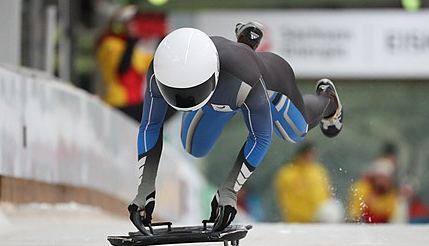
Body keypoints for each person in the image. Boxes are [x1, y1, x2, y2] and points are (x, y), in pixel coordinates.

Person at [127, 23, 344, 233]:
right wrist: (145, 186)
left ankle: (328, 100)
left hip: (262, 86)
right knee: (194, 146)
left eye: (190, 92)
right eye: (176, 92)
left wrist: (230, 189)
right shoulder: (160, 71)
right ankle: (245, 44)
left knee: (296, 131)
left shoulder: (245, 78)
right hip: (217, 96)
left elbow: (260, 137)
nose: (183, 99)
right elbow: (150, 125)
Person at [96, 5, 167, 122]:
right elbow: (123, 71)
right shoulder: (110, 43)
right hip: (118, 103)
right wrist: (131, 40)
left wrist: (162, 38)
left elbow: (154, 66)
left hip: (135, 103)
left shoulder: (134, 47)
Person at [274, 143, 340, 223]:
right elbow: (285, 200)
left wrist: (329, 211)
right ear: (302, 154)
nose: (313, 157)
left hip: (320, 220)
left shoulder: (319, 170)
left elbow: (328, 193)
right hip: (296, 222)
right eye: (311, 154)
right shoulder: (287, 173)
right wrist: (307, 215)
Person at [348, 158, 403, 223]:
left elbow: (394, 216)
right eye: (380, 177)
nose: (382, 182)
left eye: (385, 179)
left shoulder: (393, 195)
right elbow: (355, 214)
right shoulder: (362, 189)